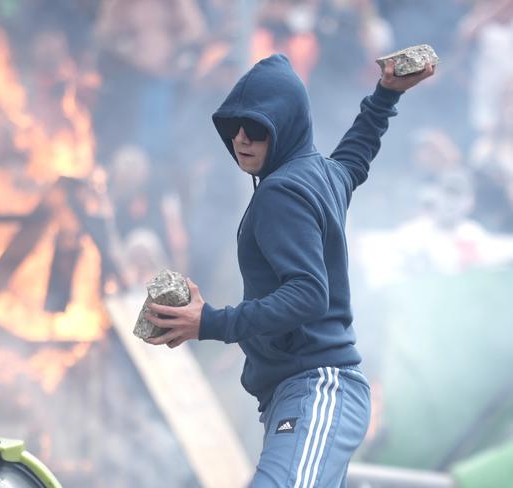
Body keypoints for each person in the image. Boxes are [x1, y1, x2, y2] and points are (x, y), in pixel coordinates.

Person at [144, 53, 434, 486]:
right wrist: (385, 95)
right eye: (234, 126)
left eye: (258, 127)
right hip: (303, 393)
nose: (242, 137)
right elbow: (357, 155)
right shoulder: (322, 174)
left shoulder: (280, 192)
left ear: (285, 126)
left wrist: (210, 322)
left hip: (316, 389)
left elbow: (308, 294)